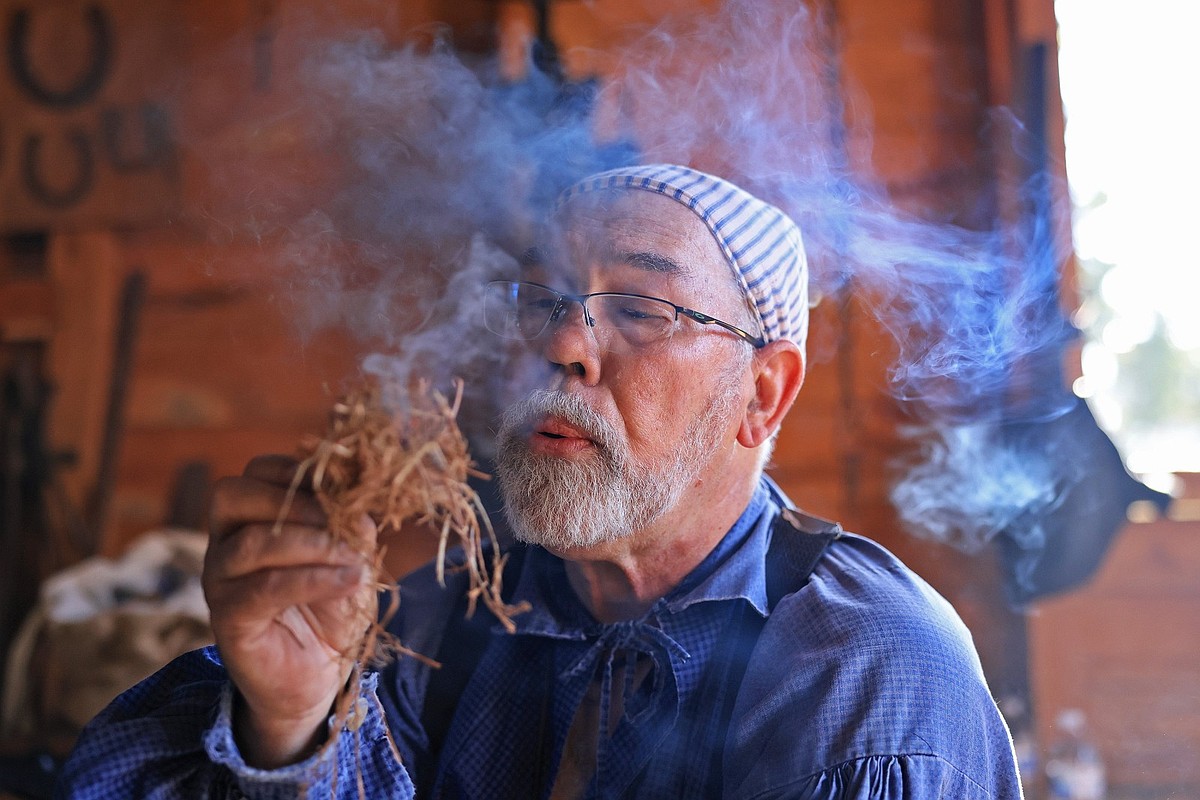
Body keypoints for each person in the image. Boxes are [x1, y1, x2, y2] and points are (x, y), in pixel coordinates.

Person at [58, 164, 1023, 799]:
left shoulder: (870, 672)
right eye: (545, 299)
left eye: (641, 308)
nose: (565, 341)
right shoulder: (440, 620)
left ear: (761, 394)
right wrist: (288, 725)